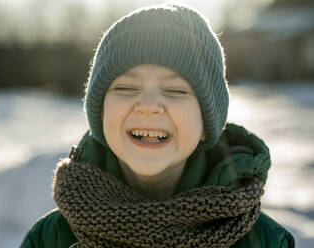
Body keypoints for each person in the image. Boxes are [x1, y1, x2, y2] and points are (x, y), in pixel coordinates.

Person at [21, 3, 295, 248]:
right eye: (127, 87)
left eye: (176, 90)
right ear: (100, 113)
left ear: (205, 124)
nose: (148, 104)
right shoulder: (50, 238)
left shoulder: (265, 241)